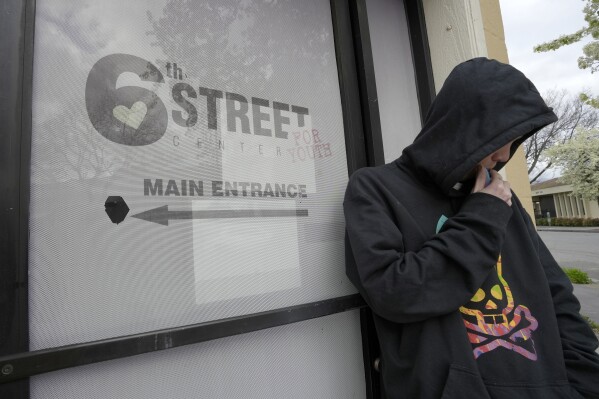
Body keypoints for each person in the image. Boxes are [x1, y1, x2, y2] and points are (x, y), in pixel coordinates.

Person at [344, 58, 599, 398]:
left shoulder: (501, 197)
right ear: (465, 127)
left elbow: (556, 296)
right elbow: (394, 292)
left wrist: (584, 382)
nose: (504, 154)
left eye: (516, 138)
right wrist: (482, 215)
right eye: (500, 137)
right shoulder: (376, 188)